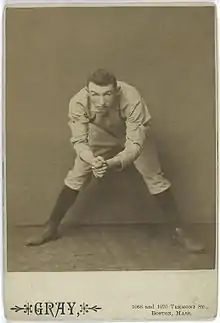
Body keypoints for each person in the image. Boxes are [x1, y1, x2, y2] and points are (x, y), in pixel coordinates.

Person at [26, 68, 204, 253]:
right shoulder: (78, 102)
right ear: (88, 91)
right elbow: (79, 142)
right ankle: (50, 228)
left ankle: (179, 231)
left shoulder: (132, 97)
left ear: (116, 90)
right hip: (99, 134)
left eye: (107, 94)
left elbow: (134, 146)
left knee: (154, 176)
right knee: (76, 175)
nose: (101, 102)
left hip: (134, 134)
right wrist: (93, 160)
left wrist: (110, 163)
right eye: (95, 94)